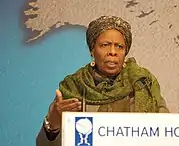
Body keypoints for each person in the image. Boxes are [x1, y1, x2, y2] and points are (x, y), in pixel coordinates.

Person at [36, 15, 169, 146]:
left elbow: (167, 133)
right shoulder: (74, 87)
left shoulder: (142, 83)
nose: (113, 52)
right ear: (92, 50)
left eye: (119, 46)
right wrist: (52, 125)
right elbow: (42, 144)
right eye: (105, 45)